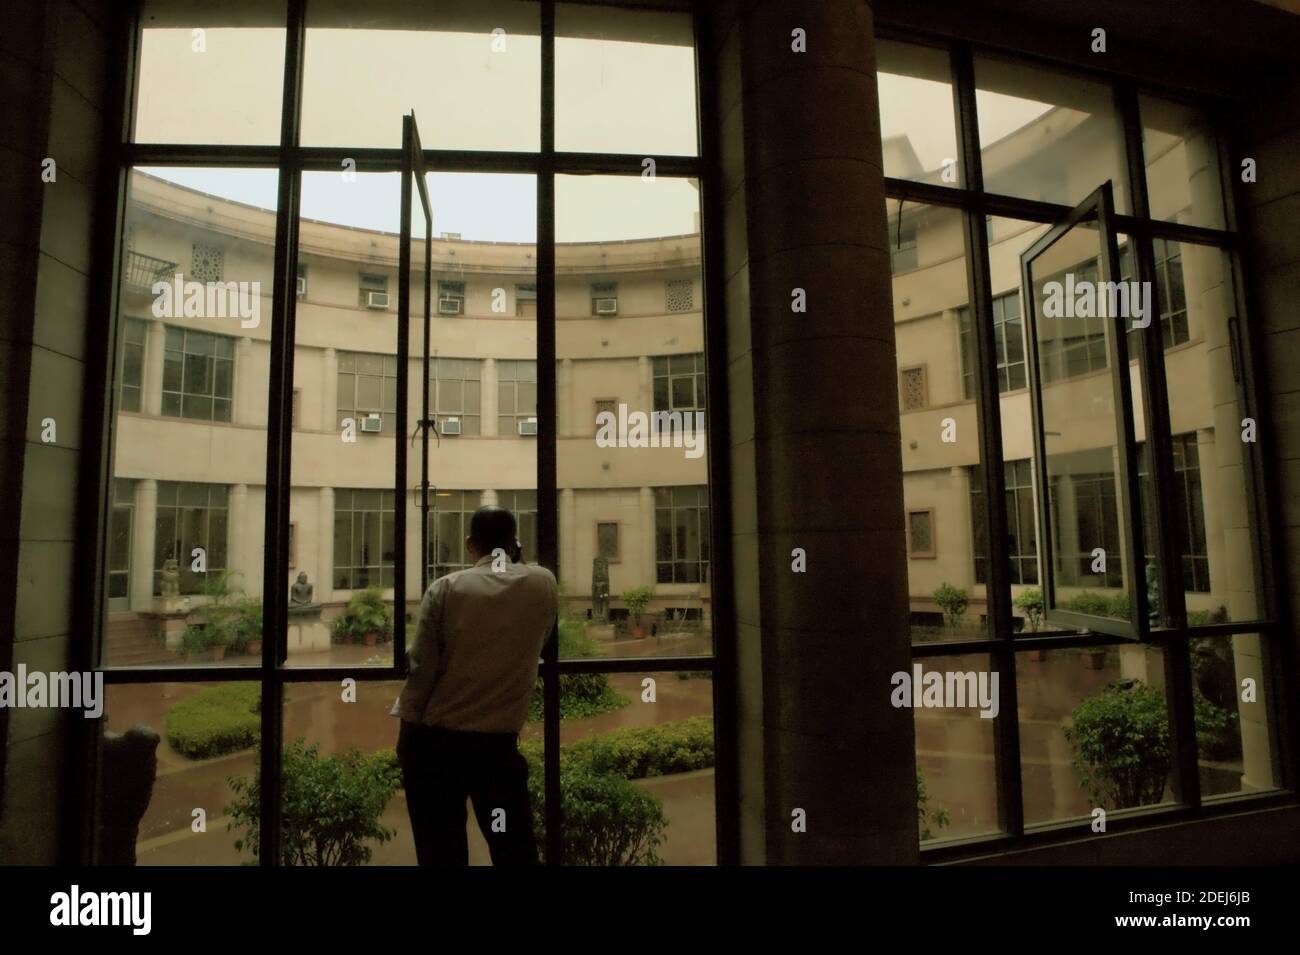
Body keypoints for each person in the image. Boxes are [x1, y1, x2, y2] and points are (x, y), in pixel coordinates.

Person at [392, 505, 557, 866]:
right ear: (515, 543)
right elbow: (540, 639)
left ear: (470, 544)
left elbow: (421, 669)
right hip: (496, 751)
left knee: (442, 851)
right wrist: (517, 559)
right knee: (513, 851)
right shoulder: (543, 583)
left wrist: (406, 732)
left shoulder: (447, 589)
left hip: (436, 747)